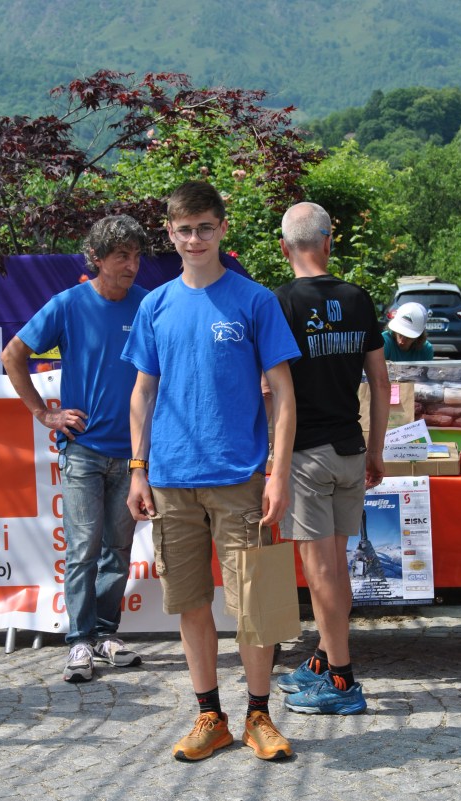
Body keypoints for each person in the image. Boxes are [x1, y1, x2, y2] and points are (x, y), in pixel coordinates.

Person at [123, 180, 300, 762]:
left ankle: (258, 716)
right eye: (184, 229)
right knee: (190, 602)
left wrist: (277, 473)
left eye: (204, 228)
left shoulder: (255, 301)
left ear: (223, 229)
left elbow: (283, 393)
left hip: (240, 478)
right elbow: (142, 392)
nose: (195, 239)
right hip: (170, 480)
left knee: (256, 604)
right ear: (170, 234)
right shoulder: (155, 305)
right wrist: (138, 470)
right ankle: (210, 716)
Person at [2, 215, 148, 682]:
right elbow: (12, 355)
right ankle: (80, 641)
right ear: (97, 259)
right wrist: (44, 413)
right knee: (84, 549)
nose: (132, 265)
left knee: (118, 550)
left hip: (134, 456)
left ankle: (105, 635)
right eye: (122, 256)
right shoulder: (67, 305)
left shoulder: (148, 305)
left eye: (136, 255)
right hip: (83, 450)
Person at [273, 201, 390, 714]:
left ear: (284, 247)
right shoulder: (357, 298)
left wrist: (272, 461)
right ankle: (324, 658)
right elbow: (381, 382)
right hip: (349, 449)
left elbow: (269, 389)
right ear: (327, 243)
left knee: (320, 571)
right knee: (335, 568)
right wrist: (376, 449)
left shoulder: (279, 303)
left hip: (305, 455)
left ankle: (342, 680)